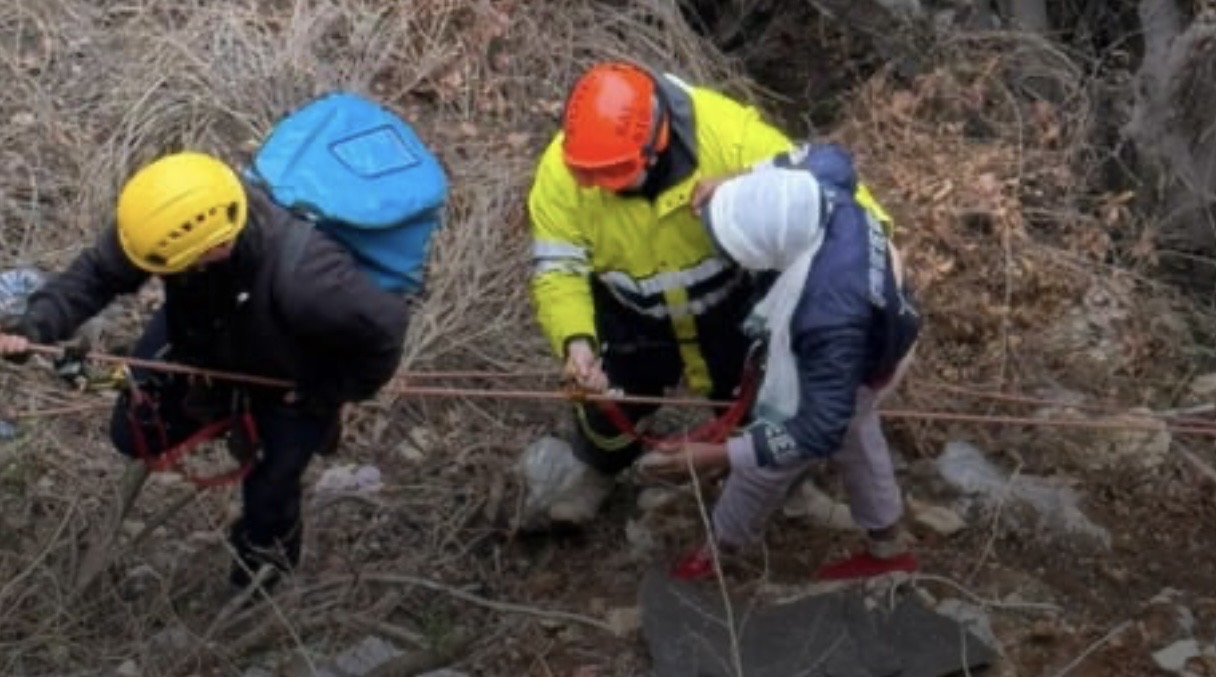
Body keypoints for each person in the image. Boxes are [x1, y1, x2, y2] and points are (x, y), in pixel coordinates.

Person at [0, 151, 410, 591]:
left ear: (219, 246)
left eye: (175, 267)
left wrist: (327, 392)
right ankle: (215, 412)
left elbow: (385, 332)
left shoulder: (307, 278)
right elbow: (99, 274)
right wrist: (36, 324)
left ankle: (259, 584)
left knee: (271, 493)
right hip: (201, 340)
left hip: (292, 379)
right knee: (132, 432)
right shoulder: (164, 222)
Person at [521, 60, 894, 529]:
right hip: (628, 316)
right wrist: (577, 343)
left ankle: (782, 494)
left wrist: (867, 277)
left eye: (614, 174)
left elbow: (844, 202)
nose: (597, 188)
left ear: (655, 144)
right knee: (607, 410)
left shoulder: (730, 136)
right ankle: (599, 473)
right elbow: (559, 269)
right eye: (589, 177)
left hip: (731, 309)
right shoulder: (565, 170)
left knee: (756, 407)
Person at [640, 142, 922, 582]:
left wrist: (716, 454)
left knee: (769, 459)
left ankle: (718, 551)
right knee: (857, 427)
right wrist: (735, 182)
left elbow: (817, 429)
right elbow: (825, 152)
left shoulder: (824, 315)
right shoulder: (822, 183)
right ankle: (887, 545)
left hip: (865, 353)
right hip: (887, 321)